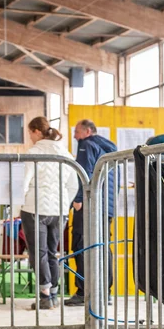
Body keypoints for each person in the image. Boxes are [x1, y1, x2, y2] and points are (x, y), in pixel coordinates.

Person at [21, 117, 78, 310]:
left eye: (30, 133)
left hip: (34, 207)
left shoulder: (33, 153)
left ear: (37, 131)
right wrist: (64, 204)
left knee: (39, 252)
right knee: (53, 252)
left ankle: (45, 296)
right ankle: (53, 293)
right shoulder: (65, 153)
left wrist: (15, 206)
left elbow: (23, 183)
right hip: (59, 210)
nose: (30, 137)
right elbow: (73, 184)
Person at [66, 119, 117, 306]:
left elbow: (83, 173)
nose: (74, 136)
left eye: (77, 131)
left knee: (81, 244)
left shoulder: (86, 145)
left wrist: (78, 199)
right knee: (103, 245)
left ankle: (83, 291)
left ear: (88, 131)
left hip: (89, 204)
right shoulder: (109, 148)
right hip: (107, 206)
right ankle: (105, 292)